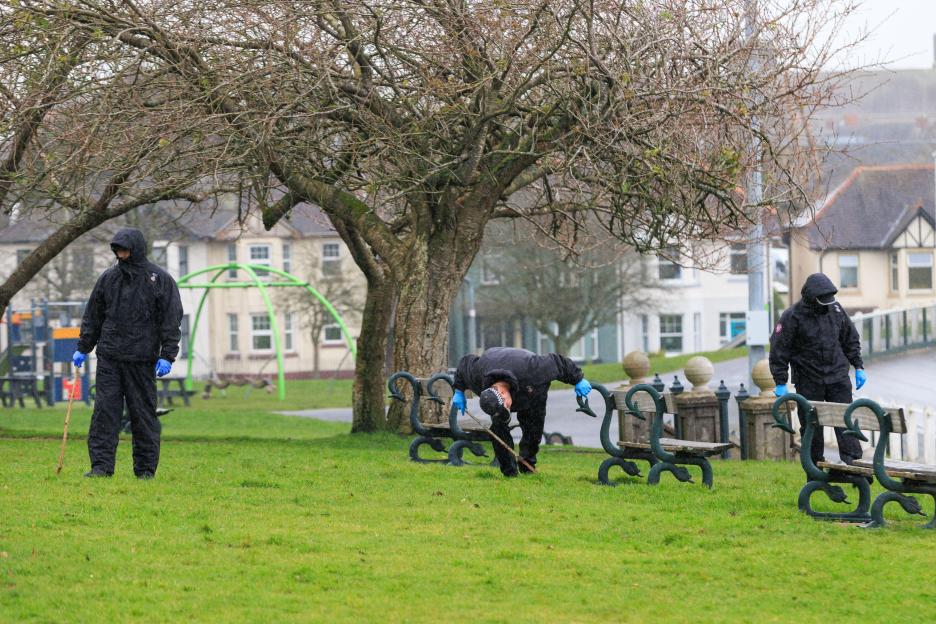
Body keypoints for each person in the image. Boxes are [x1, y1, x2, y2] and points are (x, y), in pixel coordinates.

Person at [72, 227, 183, 479]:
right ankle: (101, 467)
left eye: (124, 250)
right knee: (104, 413)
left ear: (135, 250)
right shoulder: (108, 279)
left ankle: (145, 470)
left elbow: (171, 319)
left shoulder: (160, 279)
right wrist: (83, 347)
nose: (120, 255)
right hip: (109, 357)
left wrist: (167, 354)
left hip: (142, 360)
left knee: (143, 415)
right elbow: (93, 316)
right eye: (117, 250)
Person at [769, 272, 867, 465]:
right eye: (823, 300)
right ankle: (814, 466)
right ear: (812, 298)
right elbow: (779, 349)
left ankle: (854, 464)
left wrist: (858, 365)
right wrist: (780, 381)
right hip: (808, 379)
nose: (828, 303)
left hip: (838, 377)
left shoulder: (836, 310)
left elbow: (850, 339)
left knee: (845, 421)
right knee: (812, 424)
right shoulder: (791, 316)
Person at [452, 347, 592, 477]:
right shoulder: (478, 376)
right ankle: (509, 472)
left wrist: (578, 379)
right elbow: (465, 364)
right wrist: (458, 391)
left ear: (501, 392)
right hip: (494, 361)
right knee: (498, 427)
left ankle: (527, 466)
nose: (508, 408)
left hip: (532, 388)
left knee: (533, 427)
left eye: (506, 405)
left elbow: (557, 362)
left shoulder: (533, 369)